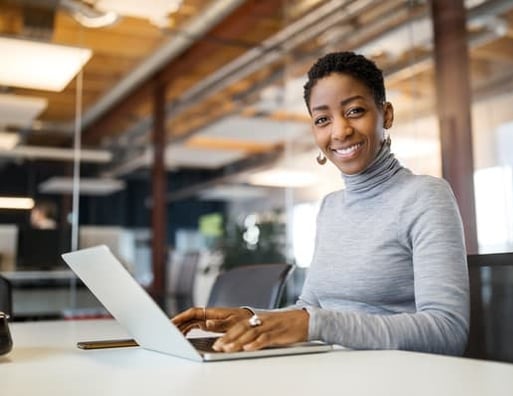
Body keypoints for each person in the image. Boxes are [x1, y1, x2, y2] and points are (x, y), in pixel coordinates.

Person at [172, 52, 469, 356]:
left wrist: (316, 324)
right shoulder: (330, 207)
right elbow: (310, 308)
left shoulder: (426, 196)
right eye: (323, 119)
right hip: (330, 369)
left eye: (354, 110)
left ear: (386, 114)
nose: (340, 131)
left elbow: (448, 330)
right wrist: (252, 317)